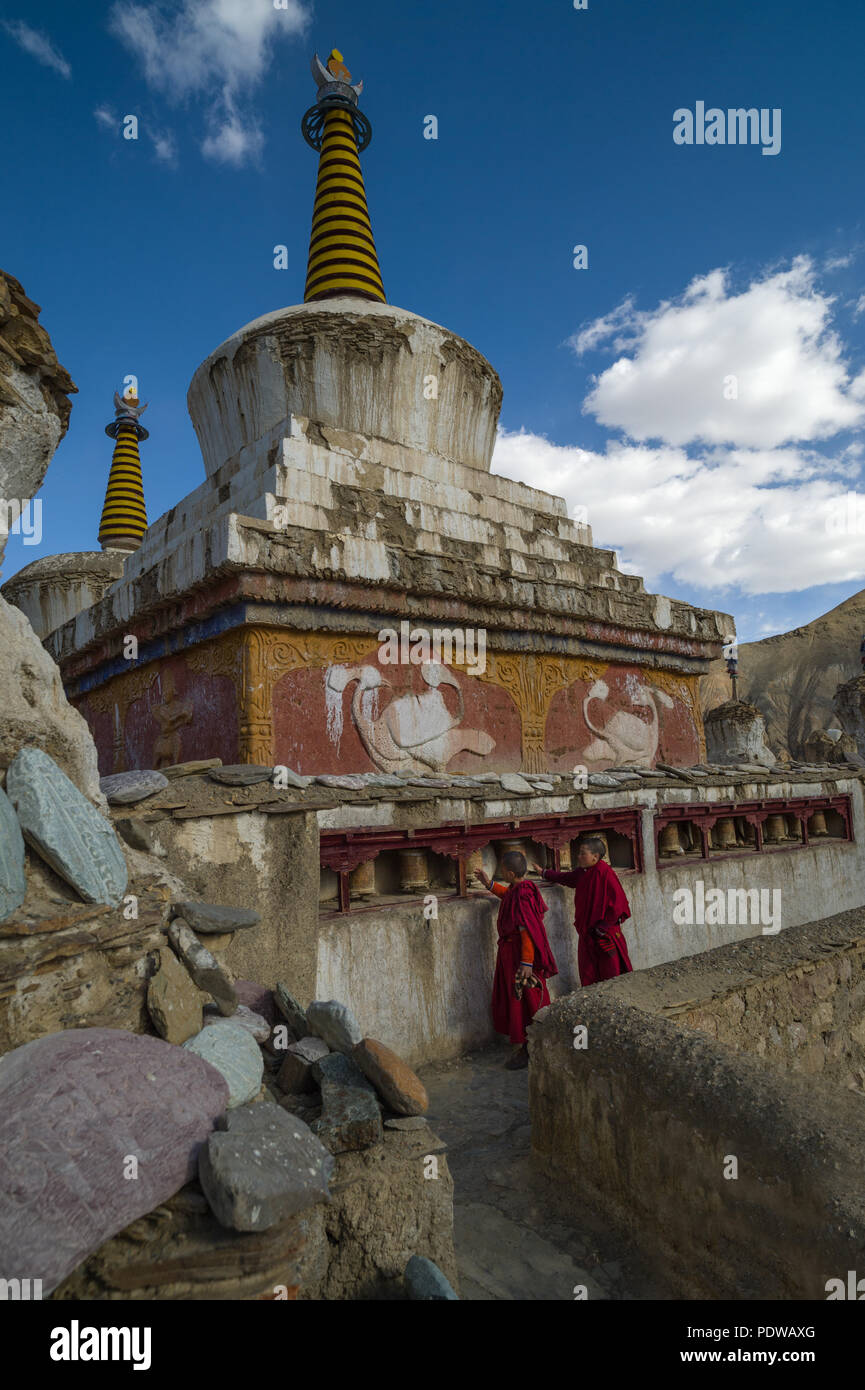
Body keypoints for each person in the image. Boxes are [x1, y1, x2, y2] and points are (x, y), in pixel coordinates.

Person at [476, 849, 558, 1069]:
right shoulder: (519, 889)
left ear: (511, 873)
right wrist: (489, 884)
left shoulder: (523, 895)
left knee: (526, 999)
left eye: (503, 870)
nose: (501, 873)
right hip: (511, 954)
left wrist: (527, 963)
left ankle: (531, 1047)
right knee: (520, 999)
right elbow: (507, 896)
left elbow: (526, 931)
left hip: (520, 958)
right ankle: (532, 1043)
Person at [530, 836, 632, 986]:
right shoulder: (584, 872)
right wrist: (544, 873)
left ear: (595, 856)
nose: (578, 856)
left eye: (583, 853)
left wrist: (602, 927)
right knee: (589, 974)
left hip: (604, 934)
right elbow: (567, 878)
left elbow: (618, 905)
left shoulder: (605, 873)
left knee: (611, 974)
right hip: (588, 933)